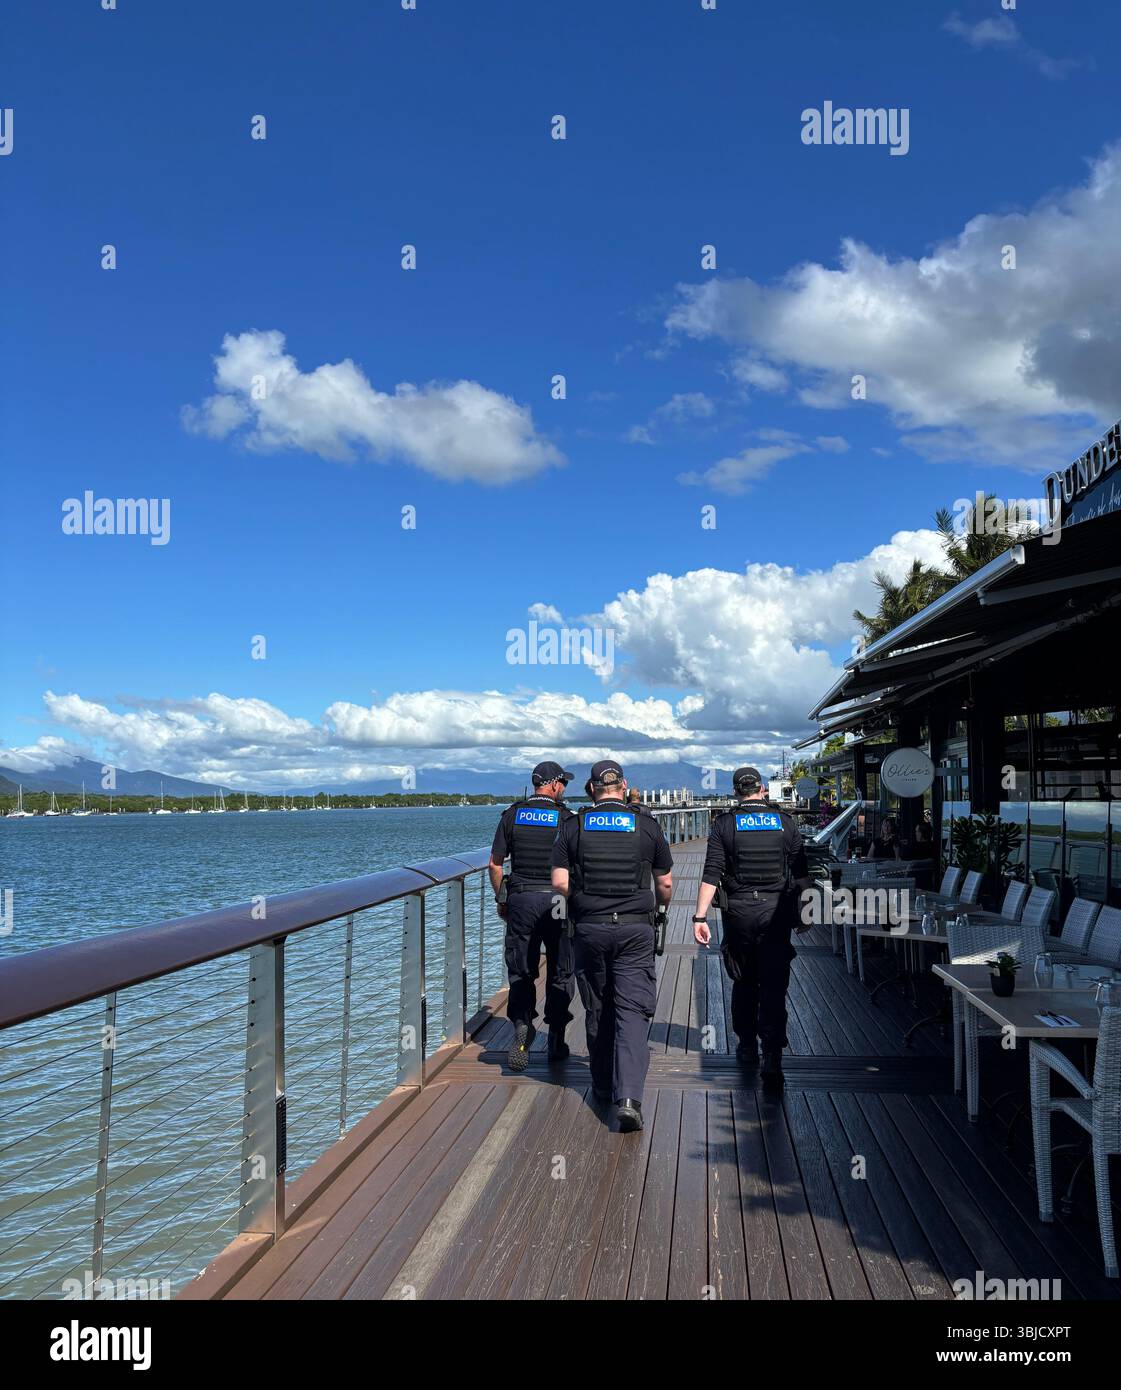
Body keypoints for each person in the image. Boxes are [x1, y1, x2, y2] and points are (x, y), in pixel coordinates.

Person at [551, 759, 673, 1132]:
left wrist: (587, 897)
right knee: (632, 1011)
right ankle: (629, 1098)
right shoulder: (647, 826)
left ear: (591, 790)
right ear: (625, 787)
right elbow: (665, 883)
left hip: (590, 929)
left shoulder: (572, 827)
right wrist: (660, 905)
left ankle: (602, 1083)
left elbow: (558, 883)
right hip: (636, 931)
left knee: (599, 1005)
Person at [690, 767, 812, 1093]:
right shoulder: (785, 822)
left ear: (735, 791)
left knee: (743, 979)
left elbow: (712, 872)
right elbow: (801, 874)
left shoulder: (724, 824)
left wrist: (699, 918)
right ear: (761, 788)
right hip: (777, 913)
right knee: (773, 983)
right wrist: (805, 915)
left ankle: (746, 1044)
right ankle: (772, 1055)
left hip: (739, 913)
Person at [489, 761, 576, 1071]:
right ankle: (556, 1036)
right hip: (557, 901)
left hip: (522, 899)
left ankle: (522, 1029)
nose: (565, 788)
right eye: (563, 783)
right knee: (561, 968)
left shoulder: (512, 815)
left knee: (522, 969)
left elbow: (496, 864)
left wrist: (503, 899)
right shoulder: (567, 819)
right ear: (552, 785)